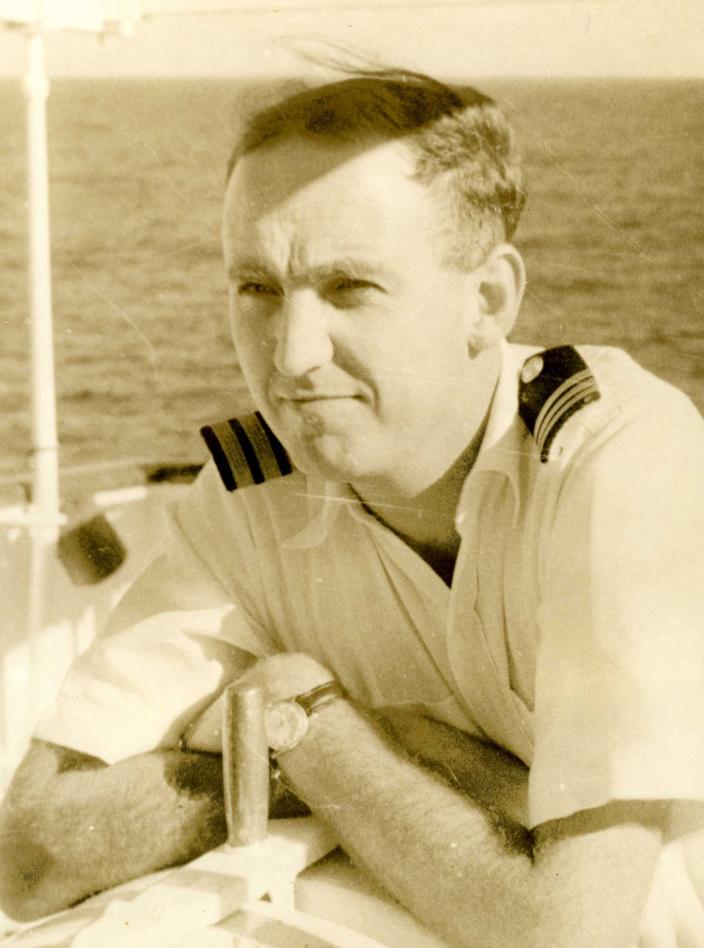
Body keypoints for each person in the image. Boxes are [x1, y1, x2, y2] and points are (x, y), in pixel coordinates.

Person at [1, 65, 704, 947]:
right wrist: (359, 749)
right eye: (255, 288)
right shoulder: (250, 492)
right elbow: (33, 855)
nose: (291, 357)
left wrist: (311, 723)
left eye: (349, 290)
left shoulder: (616, 460)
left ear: (486, 300)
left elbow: (565, 933)